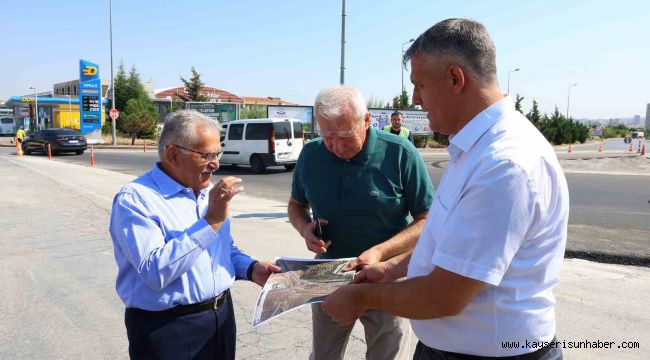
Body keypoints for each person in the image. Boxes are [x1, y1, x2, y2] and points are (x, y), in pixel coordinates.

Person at [322, 19, 568, 360]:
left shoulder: (505, 164)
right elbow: (450, 243)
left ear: (456, 78)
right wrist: (393, 269)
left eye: (420, 85)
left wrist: (360, 298)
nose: (415, 99)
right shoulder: (476, 148)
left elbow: (445, 296)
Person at [109, 110, 280, 360]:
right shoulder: (136, 200)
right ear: (173, 154)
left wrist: (251, 268)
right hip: (168, 328)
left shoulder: (205, 193)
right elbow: (154, 272)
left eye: (217, 154)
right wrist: (210, 221)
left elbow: (223, 249)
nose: (216, 164)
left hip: (220, 317)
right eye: (206, 155)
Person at [288, 85, 435, 360]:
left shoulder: (400, 153)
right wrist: (304, 227)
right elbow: (296, 205)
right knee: (323, 355)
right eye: (328, 137)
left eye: (345, 136)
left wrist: (381, 253)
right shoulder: (312, 154)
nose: (336, 147)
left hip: (386, 278)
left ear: (366, 121)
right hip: (328, 276)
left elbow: (427, 220)